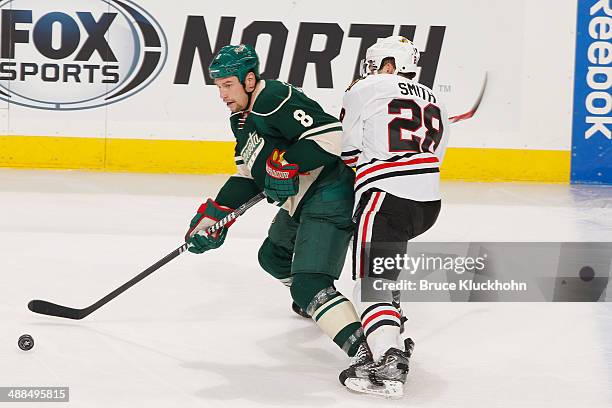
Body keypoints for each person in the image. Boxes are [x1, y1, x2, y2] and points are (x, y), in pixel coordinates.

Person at [184, 44, 367, 361]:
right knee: (272, 257)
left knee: (308, 285)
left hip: (328, 194)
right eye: (219, 87)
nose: (223, 94)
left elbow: (329, 138)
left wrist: (286, 163)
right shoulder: (240, 121)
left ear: (250, 80)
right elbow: (247, 175)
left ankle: (371, 354)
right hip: (301, 202)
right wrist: (214, 215)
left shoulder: (273, 98)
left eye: (228, 85)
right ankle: (323, 306)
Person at [338, 36, 451, 397]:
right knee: (384, 273)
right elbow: (436, 157)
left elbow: (346, 149)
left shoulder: (367, 88)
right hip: (427, 204)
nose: (370, 72)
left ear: (388, 64)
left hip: (386, 196)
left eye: (375, 65)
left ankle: (389, 356)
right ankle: (389, 319)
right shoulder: (436, 99)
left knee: (370, 285)